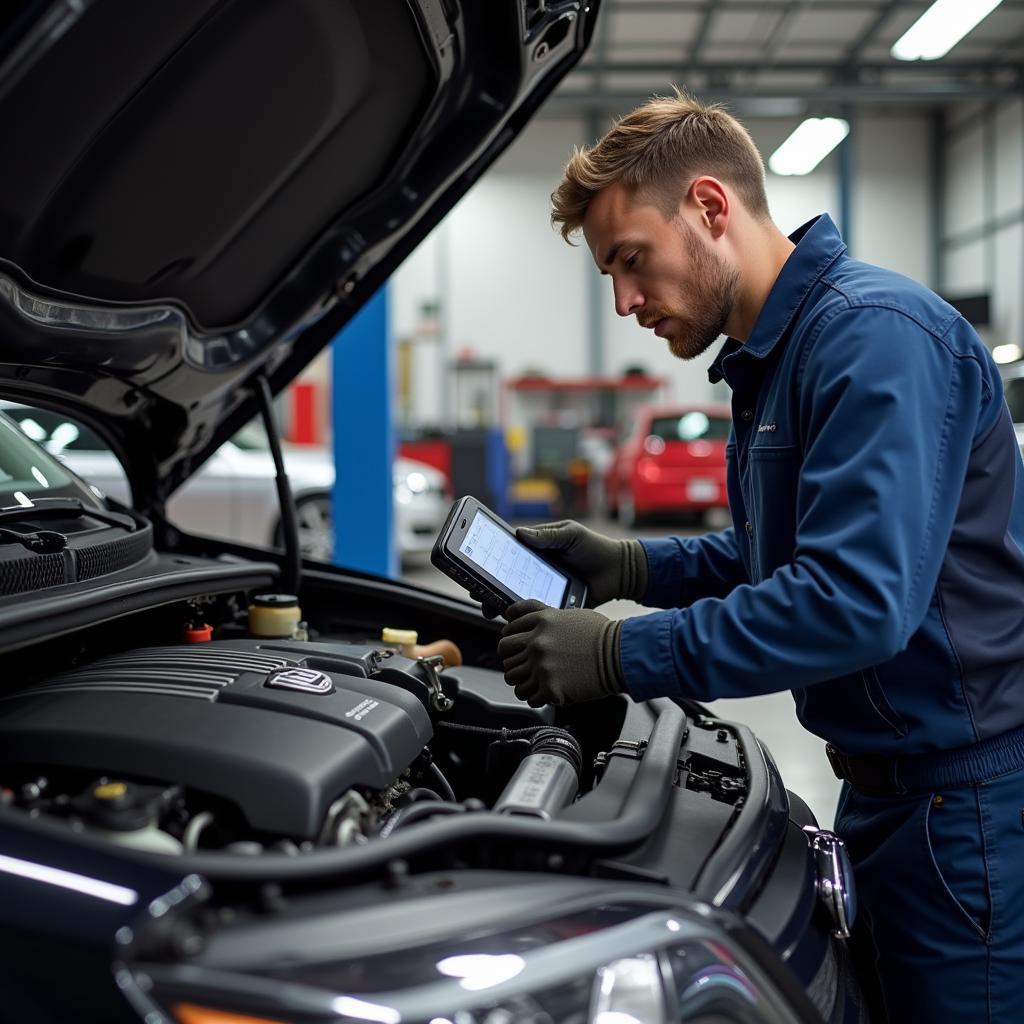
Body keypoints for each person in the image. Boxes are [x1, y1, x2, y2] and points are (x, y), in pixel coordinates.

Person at [494, 91, 1024, 1022]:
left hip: (966, 816)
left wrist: (621, 653)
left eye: (631, 261)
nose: (623, 302)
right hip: (893, 798)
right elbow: (775, 551)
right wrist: (631, 565)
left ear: (708, 207)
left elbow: (854, 601)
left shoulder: (874, 340)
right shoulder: (778, 357)